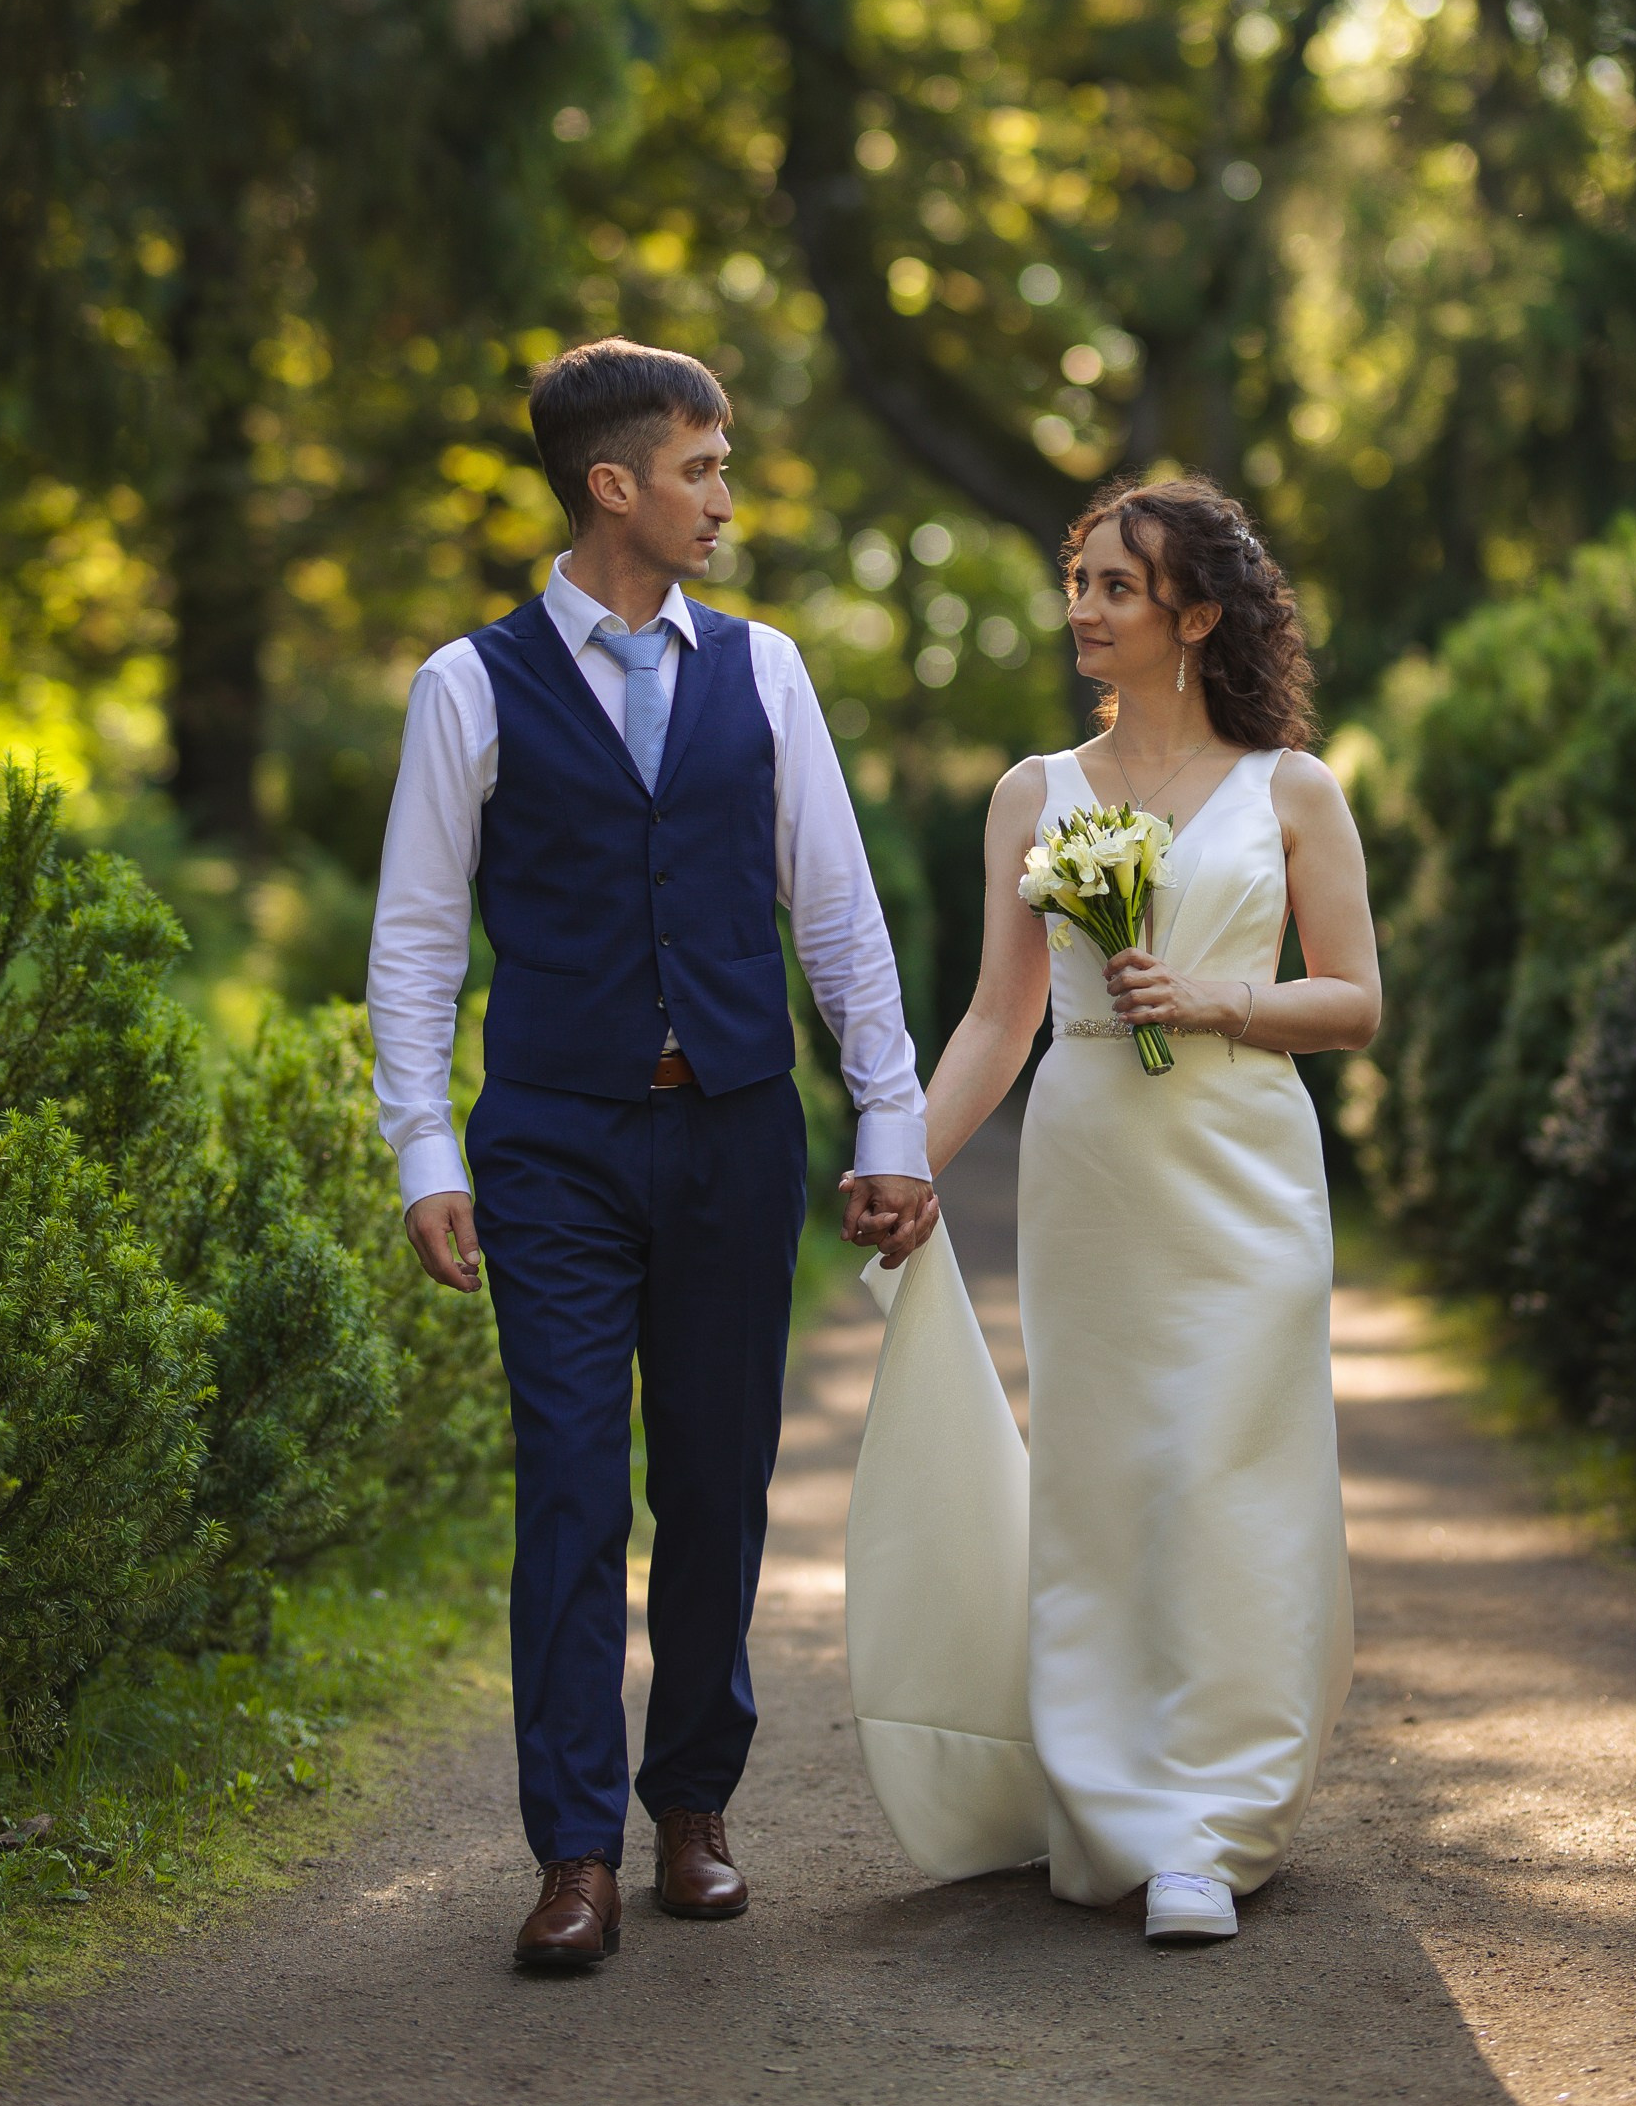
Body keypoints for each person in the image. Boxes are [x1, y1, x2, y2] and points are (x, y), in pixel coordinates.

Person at [366, 337, 935, 1972]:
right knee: (567, 1491)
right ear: (615, 485)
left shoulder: (764, 674)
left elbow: (835, 916)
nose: (725, 497)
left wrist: (882, 1119)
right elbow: (415, 945)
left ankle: (694, 1809)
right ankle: (573, 1850)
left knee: (712, 1485)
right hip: (550, 1145)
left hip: (738, 1131)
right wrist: (426, 1152)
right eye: (703, 468)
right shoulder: (467, 687)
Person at [886, 476, 1379, 1947]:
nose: (1083, 608)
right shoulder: (1035, 793)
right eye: (1079, 579)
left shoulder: (1292, 789)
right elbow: (995, 1018)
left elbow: (1353, 1001)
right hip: (1092, 1158)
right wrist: (904, 1159)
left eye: (1115, 585)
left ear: (1197, 616)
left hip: (1244, 1163)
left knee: (1228, 1476)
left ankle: (1212, 1825)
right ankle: (1108, 1794)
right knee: (1108, 1479)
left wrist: (1223, 997)